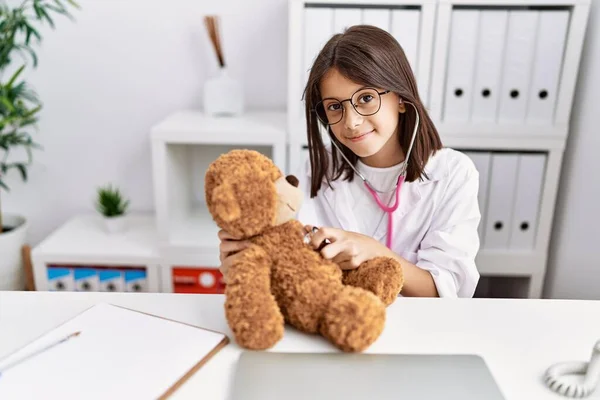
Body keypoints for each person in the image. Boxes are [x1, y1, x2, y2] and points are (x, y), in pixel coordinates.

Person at [218, 25, 481, 298]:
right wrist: (244, 265)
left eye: (366, 98)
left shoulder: (452, 173)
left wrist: (374, 252)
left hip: (415, 332)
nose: (351, 122)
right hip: (334, 328)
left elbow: (450, 291)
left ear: (401, 97)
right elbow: (287, 268)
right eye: (335, 106)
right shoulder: (314, 171)